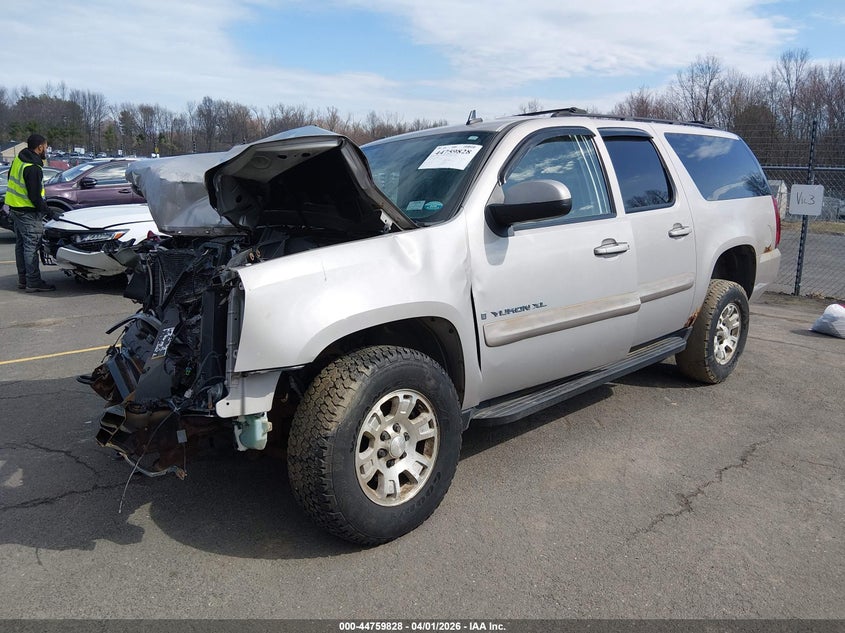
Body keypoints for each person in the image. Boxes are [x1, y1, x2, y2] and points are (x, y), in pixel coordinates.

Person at [5, 133, 62, 292]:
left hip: (15, 210)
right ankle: (33, 282)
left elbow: (11, 179)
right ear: (40, 147)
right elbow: (35, 197)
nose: (46, 149)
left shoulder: (19, 160)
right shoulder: (33, 168)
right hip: (28, 213)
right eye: (46, 146)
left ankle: (23, 280)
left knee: (21, 246)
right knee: (32, 247)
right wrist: (50, 213)